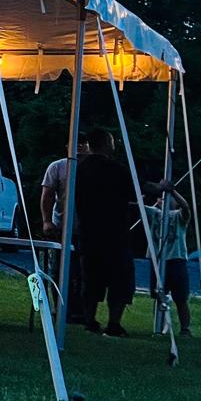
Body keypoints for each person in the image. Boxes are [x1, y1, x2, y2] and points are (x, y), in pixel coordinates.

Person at [74, 129, 138, 335]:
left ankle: (90, 320)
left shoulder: (80, 170)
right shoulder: (116, 170)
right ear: (104, 143)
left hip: (88, 233)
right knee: (119, 279)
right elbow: (135, 190)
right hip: (115, 234)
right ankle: (114, 323)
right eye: (111, 141)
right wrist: (159, 187)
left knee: (90, 279)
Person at [41, 134, 91, 323]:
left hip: (87, 229)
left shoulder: (92, 169)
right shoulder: (58, 167)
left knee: (84, 271)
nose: (79, 147)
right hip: (61, 227)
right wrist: (47, 221)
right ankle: (60, 308)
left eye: (83, 144)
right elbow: (47, 194)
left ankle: (81, 312)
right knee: (59, 270)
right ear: (67, 145)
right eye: (75, 143)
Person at [144, 187, 193, 337]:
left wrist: (172, 191)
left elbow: (185, 206)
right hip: (158, 260)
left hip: (176, 260)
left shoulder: (179, 215)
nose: (165, 199)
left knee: (181, 298)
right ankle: (158, 327)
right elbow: (139, 207)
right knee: (158, 296)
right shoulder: (155, 213)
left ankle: (185, 329)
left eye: (168, 198)